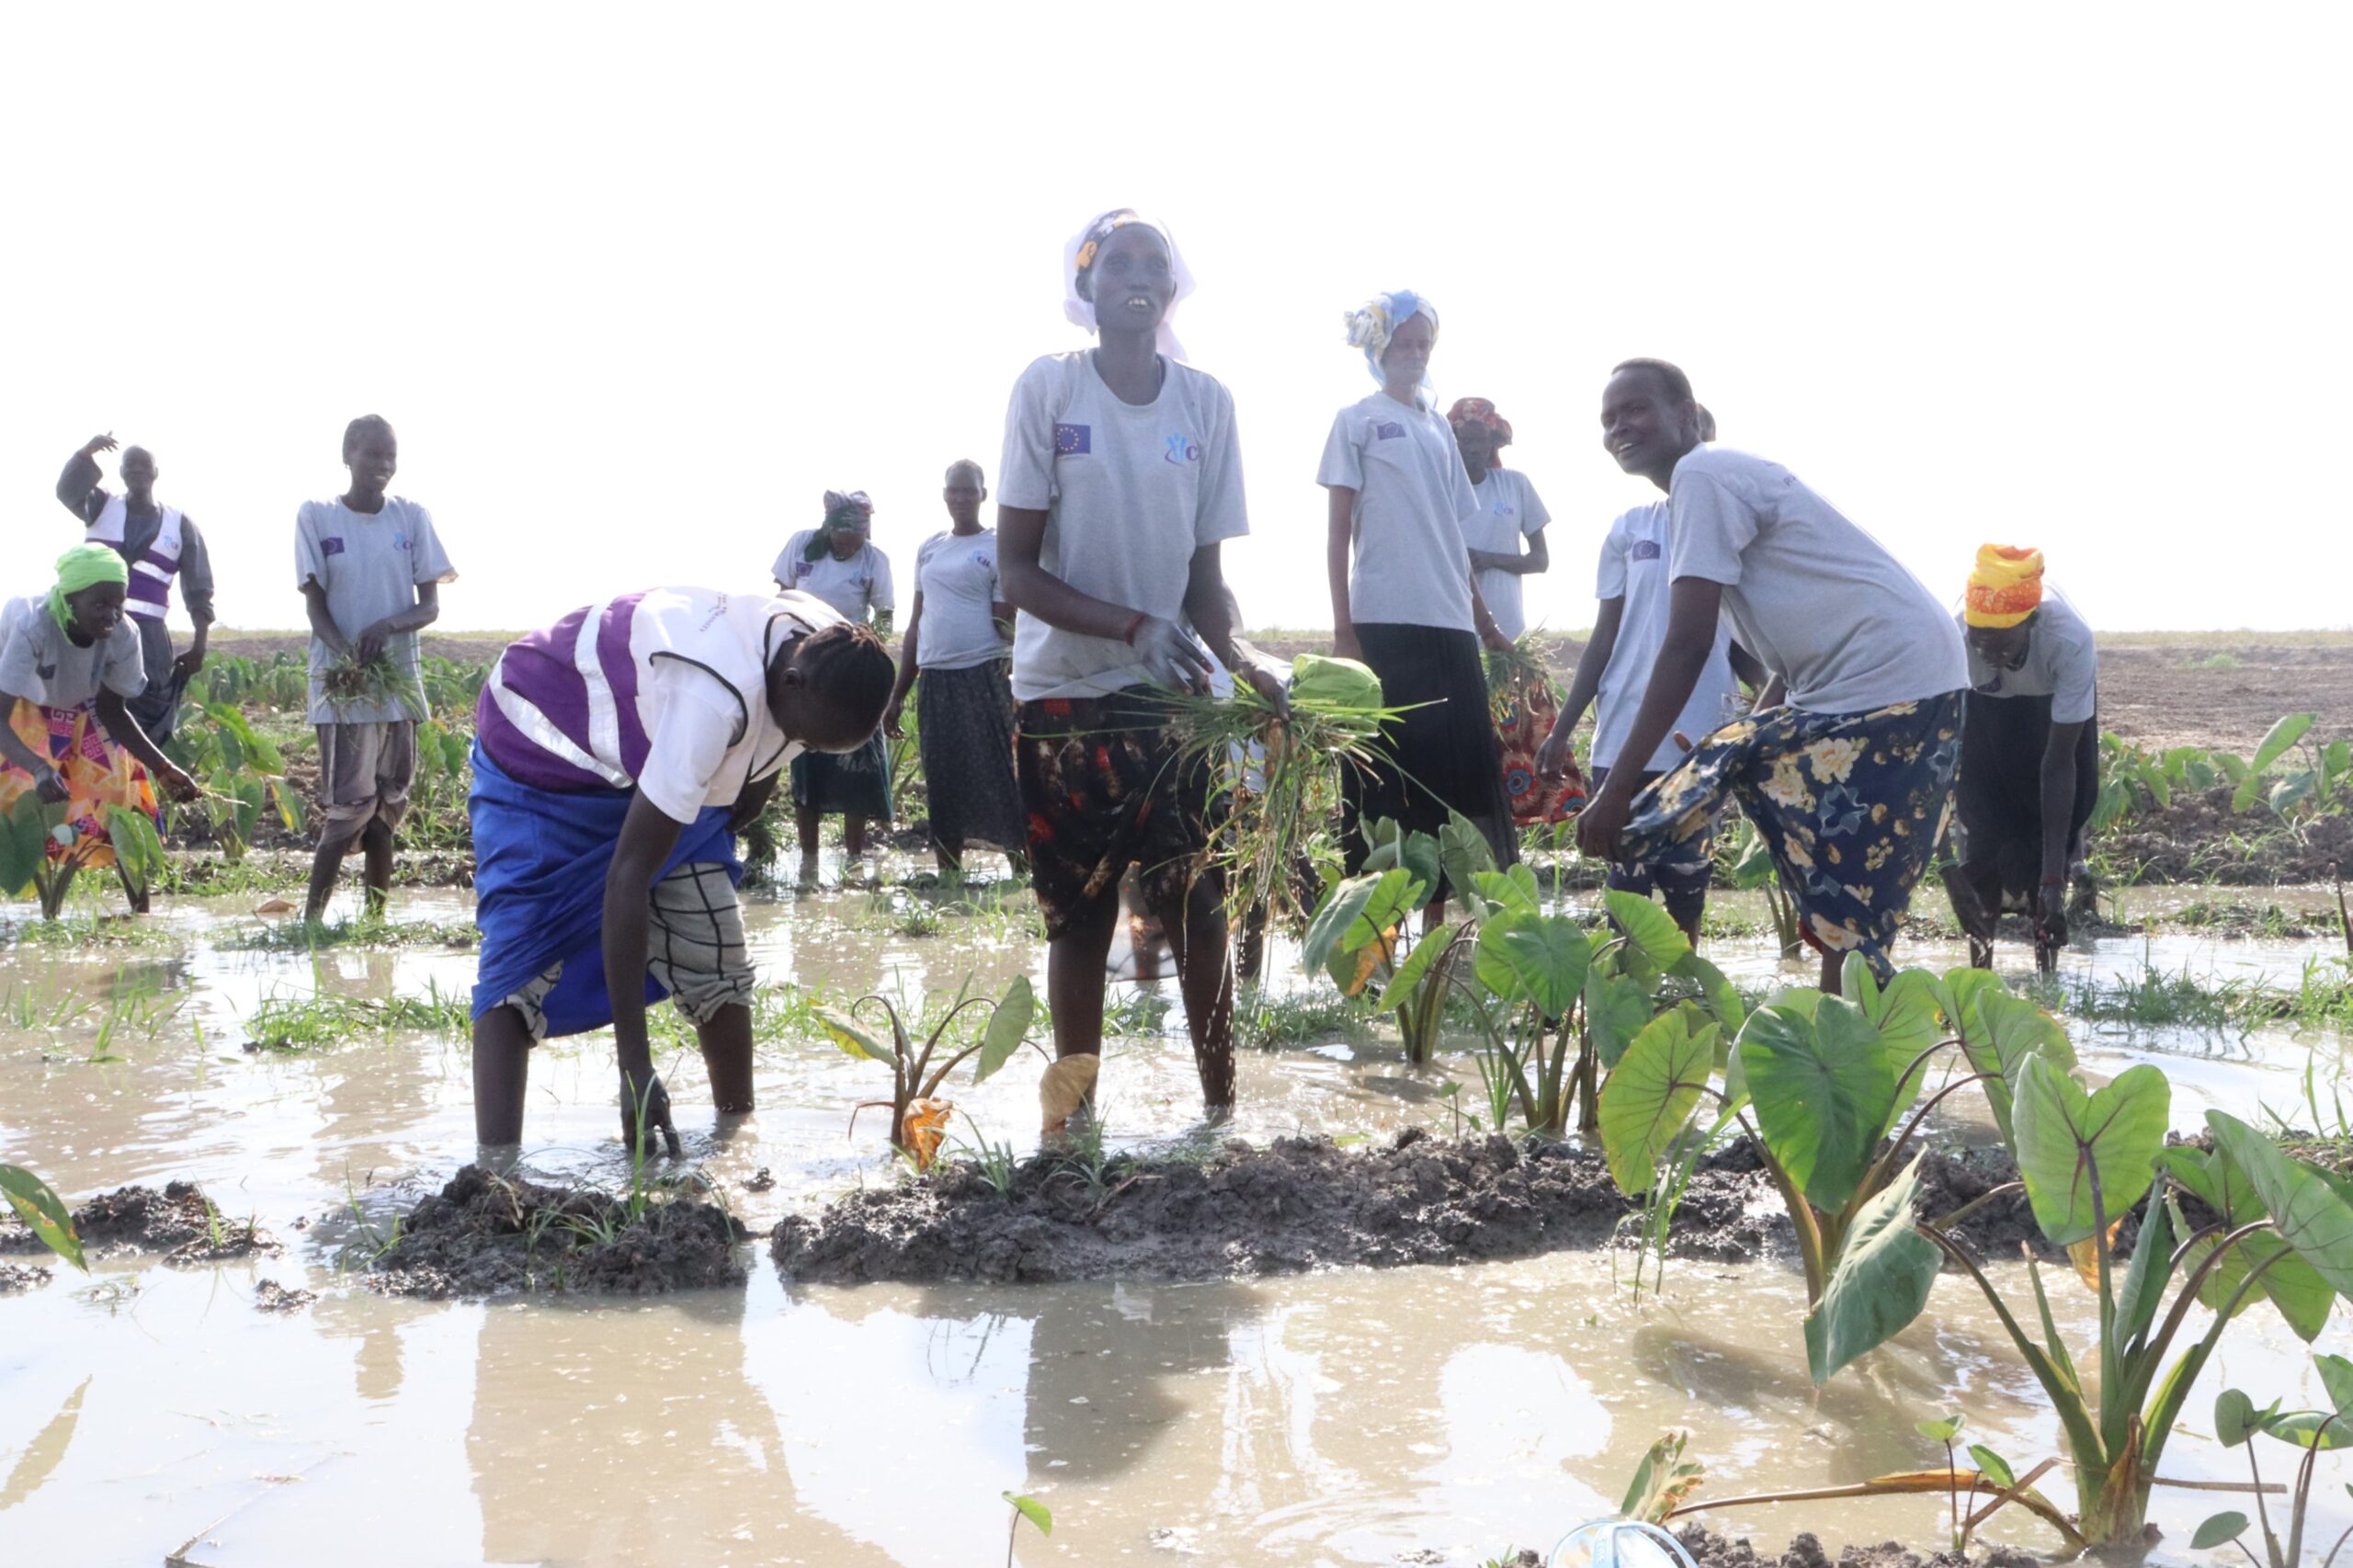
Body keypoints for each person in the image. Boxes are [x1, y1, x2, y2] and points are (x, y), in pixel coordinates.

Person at [997, 207, 1286, 1121]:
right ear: (1084, 286)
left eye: (1152, 262)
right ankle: (1072, 1127)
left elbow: (1205, 582)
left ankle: (1220, 1117)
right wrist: (1130, 626)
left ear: (1171, 287)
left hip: (1174, 701)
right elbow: (1015, 572)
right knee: (1081, 919)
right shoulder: (1050, 388)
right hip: (1065, 696)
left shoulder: (1205, 403)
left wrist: (1245, 660)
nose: (1135, 274)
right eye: (1114, 261)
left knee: (1198, 904)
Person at [1573, 359, 1967, 988]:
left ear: (1685, 414)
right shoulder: (1696, 490)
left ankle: (1854, 1030)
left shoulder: (1701, 474)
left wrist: (1616, 789)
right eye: (1608, 418)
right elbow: (1782, 656)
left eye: (1635, 409)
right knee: (1833, 880)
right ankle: (1845, 1024)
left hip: (1890, 683)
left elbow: (1687, 643)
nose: (1618, 426)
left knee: (1850, 896)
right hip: (1876, 681)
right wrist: (1747, 741)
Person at [469, 585, 893, 1152]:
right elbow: (628, 878)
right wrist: (635, 1069)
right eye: (801, 739)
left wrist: (760, 775)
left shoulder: (831, 645)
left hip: (649, 743)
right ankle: (496, 1173)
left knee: (714, 948)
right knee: (520, 962)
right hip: (542, 739)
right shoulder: (710, 702)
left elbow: (786, 724)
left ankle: (736, 1138)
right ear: (790, 682)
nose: (799, 747)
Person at [1320, 292, 1519, 892]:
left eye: (1422, 344)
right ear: (1379, 350)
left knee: (1454, 781)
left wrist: (1485, 624)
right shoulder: (1356, 421)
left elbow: (1450, 535)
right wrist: (1343, 632)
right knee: (1386, 780)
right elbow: (1337, 534)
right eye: (1402, 344)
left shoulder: (1437, 428)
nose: (1414, 354)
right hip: (1383, 621)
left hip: (1450, 623)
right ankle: (1380, 923)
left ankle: (1439, 924)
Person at [1538, 406, 1755, 943]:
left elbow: (1743, 647)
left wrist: (1781, 710)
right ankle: (1624, 984)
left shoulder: (1734, 529)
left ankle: (1683, 985)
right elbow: (1604, 638)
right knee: (1625, 888)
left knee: (1688, 885)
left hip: (1698, 737)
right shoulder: (1630, 528)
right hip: (1621, 732)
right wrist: (1561, 731)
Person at [295, 415, 456, 922]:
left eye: (391, 455)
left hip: (398, 685)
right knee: (346, 811)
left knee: (387, 809)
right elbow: (315, 606)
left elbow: (429, 606)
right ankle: (311, 924)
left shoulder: (410, 517)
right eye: (373, 454)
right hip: (343, 688)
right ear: (348, 454)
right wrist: (345, 654)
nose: (383, 465)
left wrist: (387, 626)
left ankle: (374, 924)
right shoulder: (317, 516)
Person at [0, 545, 201, 909]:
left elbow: (114, 710)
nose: (111, 615)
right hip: (23, 703)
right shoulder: (33, 625)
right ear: (70, 601)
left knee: (120, 797)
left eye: (117, 604)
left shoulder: (124, 634)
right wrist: (39, 768)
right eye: (99, 605)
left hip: (86, 704)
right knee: (13, 798)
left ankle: (140, 913)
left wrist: (162, 767)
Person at [1947, 544, 2099, 968]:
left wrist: (2053, 880)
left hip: (2049, 714)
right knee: (1981, 839)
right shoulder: (1952, 640)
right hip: (1983, 709)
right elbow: (1944, 756)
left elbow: (2059, 764)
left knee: (2046, 843)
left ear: (2030, 623)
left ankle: (2047, 971)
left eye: (2001, 643)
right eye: (1979, 640)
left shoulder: (2069, 641)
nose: (1988, 653)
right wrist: (1950, 867)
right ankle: (1979, 975)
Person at [881, 460, 1028, 877]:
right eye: (954, 490)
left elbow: (1005, 622)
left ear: (983, 495)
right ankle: (949, 874)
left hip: (984, 673)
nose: (961, 498)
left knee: (999, 773)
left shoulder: (998, 546)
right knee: (942, 776)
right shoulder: (930, 548)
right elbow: (916, 623)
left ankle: (1022, 868)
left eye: (969, 490)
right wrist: (897, 695)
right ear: (944, 494)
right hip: (935, 678)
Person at [55, 433, 215, 745]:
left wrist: (199, 645)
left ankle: (141, 775)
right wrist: (86, 453)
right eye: (130, 464)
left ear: (156, 472)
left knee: (147, 712)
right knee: (85, 711)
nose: (137, 469)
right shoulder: (100, 505)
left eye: (144, 464)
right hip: (94, 629)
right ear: (121, 472)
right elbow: (66, 491)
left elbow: (200, 589)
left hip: (149, 636)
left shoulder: (180, 524)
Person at [773, 492, 895, 882]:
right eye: (844, 539)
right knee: (805, 760)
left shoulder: (875, 560)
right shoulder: (801, 546)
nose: (850, 546)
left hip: (852, 669)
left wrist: (867, 646)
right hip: (807, 670)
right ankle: (808, 862)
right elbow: (781, 600)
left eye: (857, 539)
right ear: (829, 528)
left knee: (857, 765)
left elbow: (885, 617)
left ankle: (854, 859)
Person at [1448, 398, 1552, 642]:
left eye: (1481, 440)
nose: (1474, 449)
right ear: (1452, 443)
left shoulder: (1515, 485)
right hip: (1455, 630)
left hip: (1508, 633)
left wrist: (1490, 559)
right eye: (1466, 441)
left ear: (1493, 443)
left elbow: (1540, 561)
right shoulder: (1439, 491)